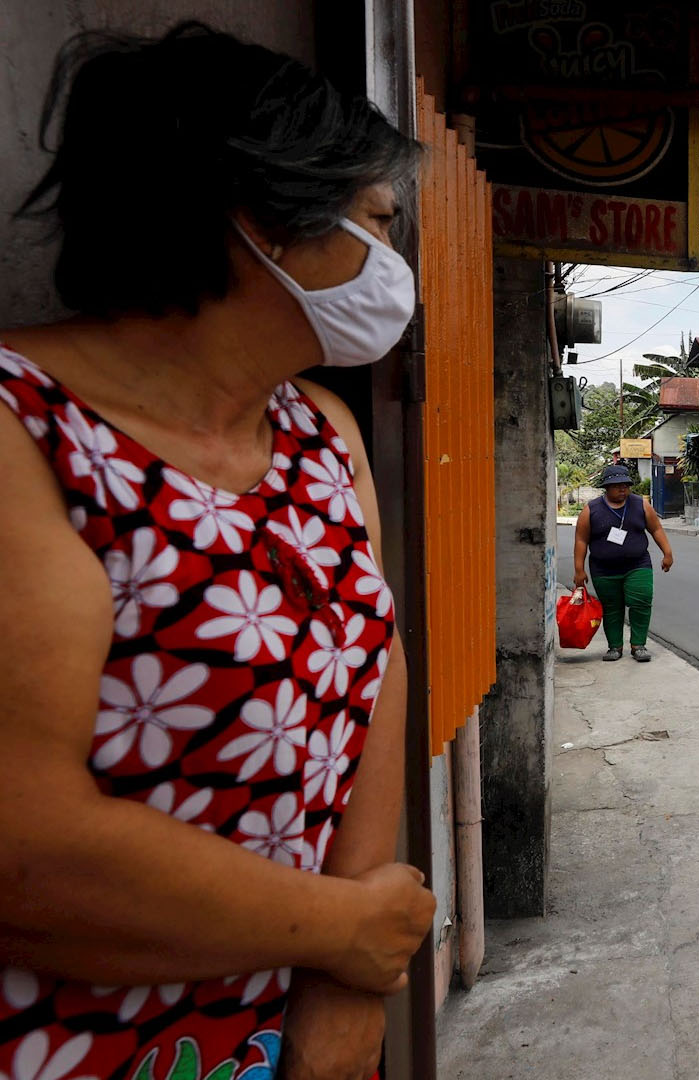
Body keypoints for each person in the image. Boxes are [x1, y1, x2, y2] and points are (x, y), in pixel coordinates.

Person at [0, 23, 435, 1080]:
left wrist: (347, 984)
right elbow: (25, 850)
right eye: (378, 222)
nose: (396, 263)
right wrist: (340, 932)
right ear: (265, 220)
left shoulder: (322, 435)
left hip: (293, 1023)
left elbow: (375, 672)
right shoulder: (26, 434)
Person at [574, 463, 673, 661]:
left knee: (641, 602)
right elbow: (581, 540)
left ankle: (639, 645)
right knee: (612, 608)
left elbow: (656, 529)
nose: (623, 489)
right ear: (607, 487)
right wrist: (579, 570)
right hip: (603, 570)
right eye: (617, 485)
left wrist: (667, 553)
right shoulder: (591, 509)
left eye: (626, 485)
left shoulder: (641, 504)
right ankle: (614, 647)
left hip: (638, 565)